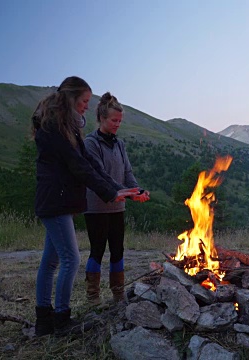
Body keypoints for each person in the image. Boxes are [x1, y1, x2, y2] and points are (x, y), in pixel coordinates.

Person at [31, 77, 138, 337]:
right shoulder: (54, 127)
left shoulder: (67, 126)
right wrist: (110, 193)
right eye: (84, 102)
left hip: (59, 200)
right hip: (54, 200)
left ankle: (44, 320)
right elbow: (78, 166)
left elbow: (89, 163)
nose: (86, 107)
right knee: (71, 258)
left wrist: (116, 190)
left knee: (52, 260)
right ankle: (61, 318)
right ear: (70, 99)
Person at [83, 92, 150, 305]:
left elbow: (127, 172)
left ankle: (118, 294)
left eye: (120, 121)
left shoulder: (119, 144)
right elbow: (101, 175)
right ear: (102, 119)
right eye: (114, 120)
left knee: (118, 250)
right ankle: (93, 297)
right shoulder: (91, 143)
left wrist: (137, 190)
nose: (117, 125)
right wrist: (128, 194)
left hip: (117, 208)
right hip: (96, 206)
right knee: (97, 250)